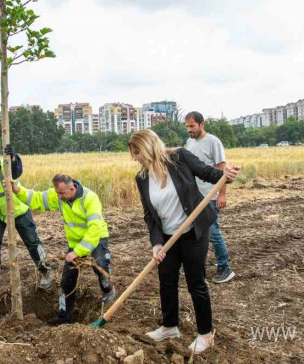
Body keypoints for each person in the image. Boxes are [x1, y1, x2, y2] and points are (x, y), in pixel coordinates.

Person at [129, 129, 239, 355]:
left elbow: (208, 173)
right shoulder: (141, 178)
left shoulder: (180, 157)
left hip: (193, 233)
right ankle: (169, 327)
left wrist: (225, 175)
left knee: (195, 283)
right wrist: (156, 243)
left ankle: (205, 334)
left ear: (148, 147)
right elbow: (149, 214)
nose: (135, 158)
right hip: (168, 237)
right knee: (166, 282)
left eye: (137, 152)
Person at [13, 173, 116, 324]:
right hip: (74, 243)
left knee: (100, 265)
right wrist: (17, 191)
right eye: (57, 192)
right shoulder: (59, 196)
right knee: (67, 282)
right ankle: (64, 319)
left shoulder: (90, 198)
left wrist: (77, 252)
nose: (59, 196)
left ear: (72, 188)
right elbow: (36, 198)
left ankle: (108, 290)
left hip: (96, 239)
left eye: (61, 193)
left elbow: (94, 229)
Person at [0, 145, 52, 293]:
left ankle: (45, 270)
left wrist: (13, 158)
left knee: (32, 241)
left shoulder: (5, 166)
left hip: (19, 211)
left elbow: (17, 171)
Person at [184, 111, 235, 284]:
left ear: (202, 124)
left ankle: (225, 267)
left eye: (192, 126)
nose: (189, 130)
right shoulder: (189, 142)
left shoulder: (213, 142)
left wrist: (222, 195)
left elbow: (222, 171)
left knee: (212, 233)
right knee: (193, 232)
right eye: (187, 127)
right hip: (194, 196)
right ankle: (196, 266)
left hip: (210, 196)